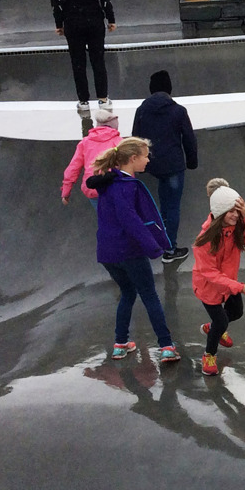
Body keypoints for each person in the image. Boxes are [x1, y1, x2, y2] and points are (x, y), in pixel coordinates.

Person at [85, 135, 178, 363]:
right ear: (133, 158)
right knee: (149, 295)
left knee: (127, 293)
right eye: (146, 157)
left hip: (107, 253)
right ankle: (166, 346)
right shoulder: (127, 187)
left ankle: (120, 343)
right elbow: (131, 221)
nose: (148, 161)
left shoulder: (108, 183)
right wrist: (154, 248)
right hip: (129, 251)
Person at [193, 184, 245, 377]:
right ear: (219, 213)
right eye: (231, 212)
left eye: (238, 210)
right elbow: (209, 273)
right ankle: (209, 355)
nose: (235, 215)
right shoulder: (205, 239)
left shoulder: (236, 229)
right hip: (208, 287)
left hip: (229, 283)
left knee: (236, 313)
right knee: (221, 321)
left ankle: (212, 329)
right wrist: (240, 287)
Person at [131, 70, 199, 262]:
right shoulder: (178, 110)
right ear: (169, 89)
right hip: (174, 165)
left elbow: (136, 138)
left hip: (152, 164)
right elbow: (189, 139)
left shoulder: (141, 110)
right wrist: (192, 162)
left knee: (161, 204)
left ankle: (158, 241)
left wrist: (137, 165)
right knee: (172, 207)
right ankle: (170, 249)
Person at [51, 0, 116, 115]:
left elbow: (56, 3)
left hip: (72, 23)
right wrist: (111, 19)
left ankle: (84, 100)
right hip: (94, 21)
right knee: (98, 60)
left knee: (78, 62)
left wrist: (59, 24)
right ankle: (103, 99)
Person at [61, 111, 123, 205]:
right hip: (114, 187)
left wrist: (66, 191)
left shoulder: (85, 142)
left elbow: (73, 167)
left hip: (92, 187)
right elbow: (127, 166)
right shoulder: (119, 142)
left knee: (102, 216)